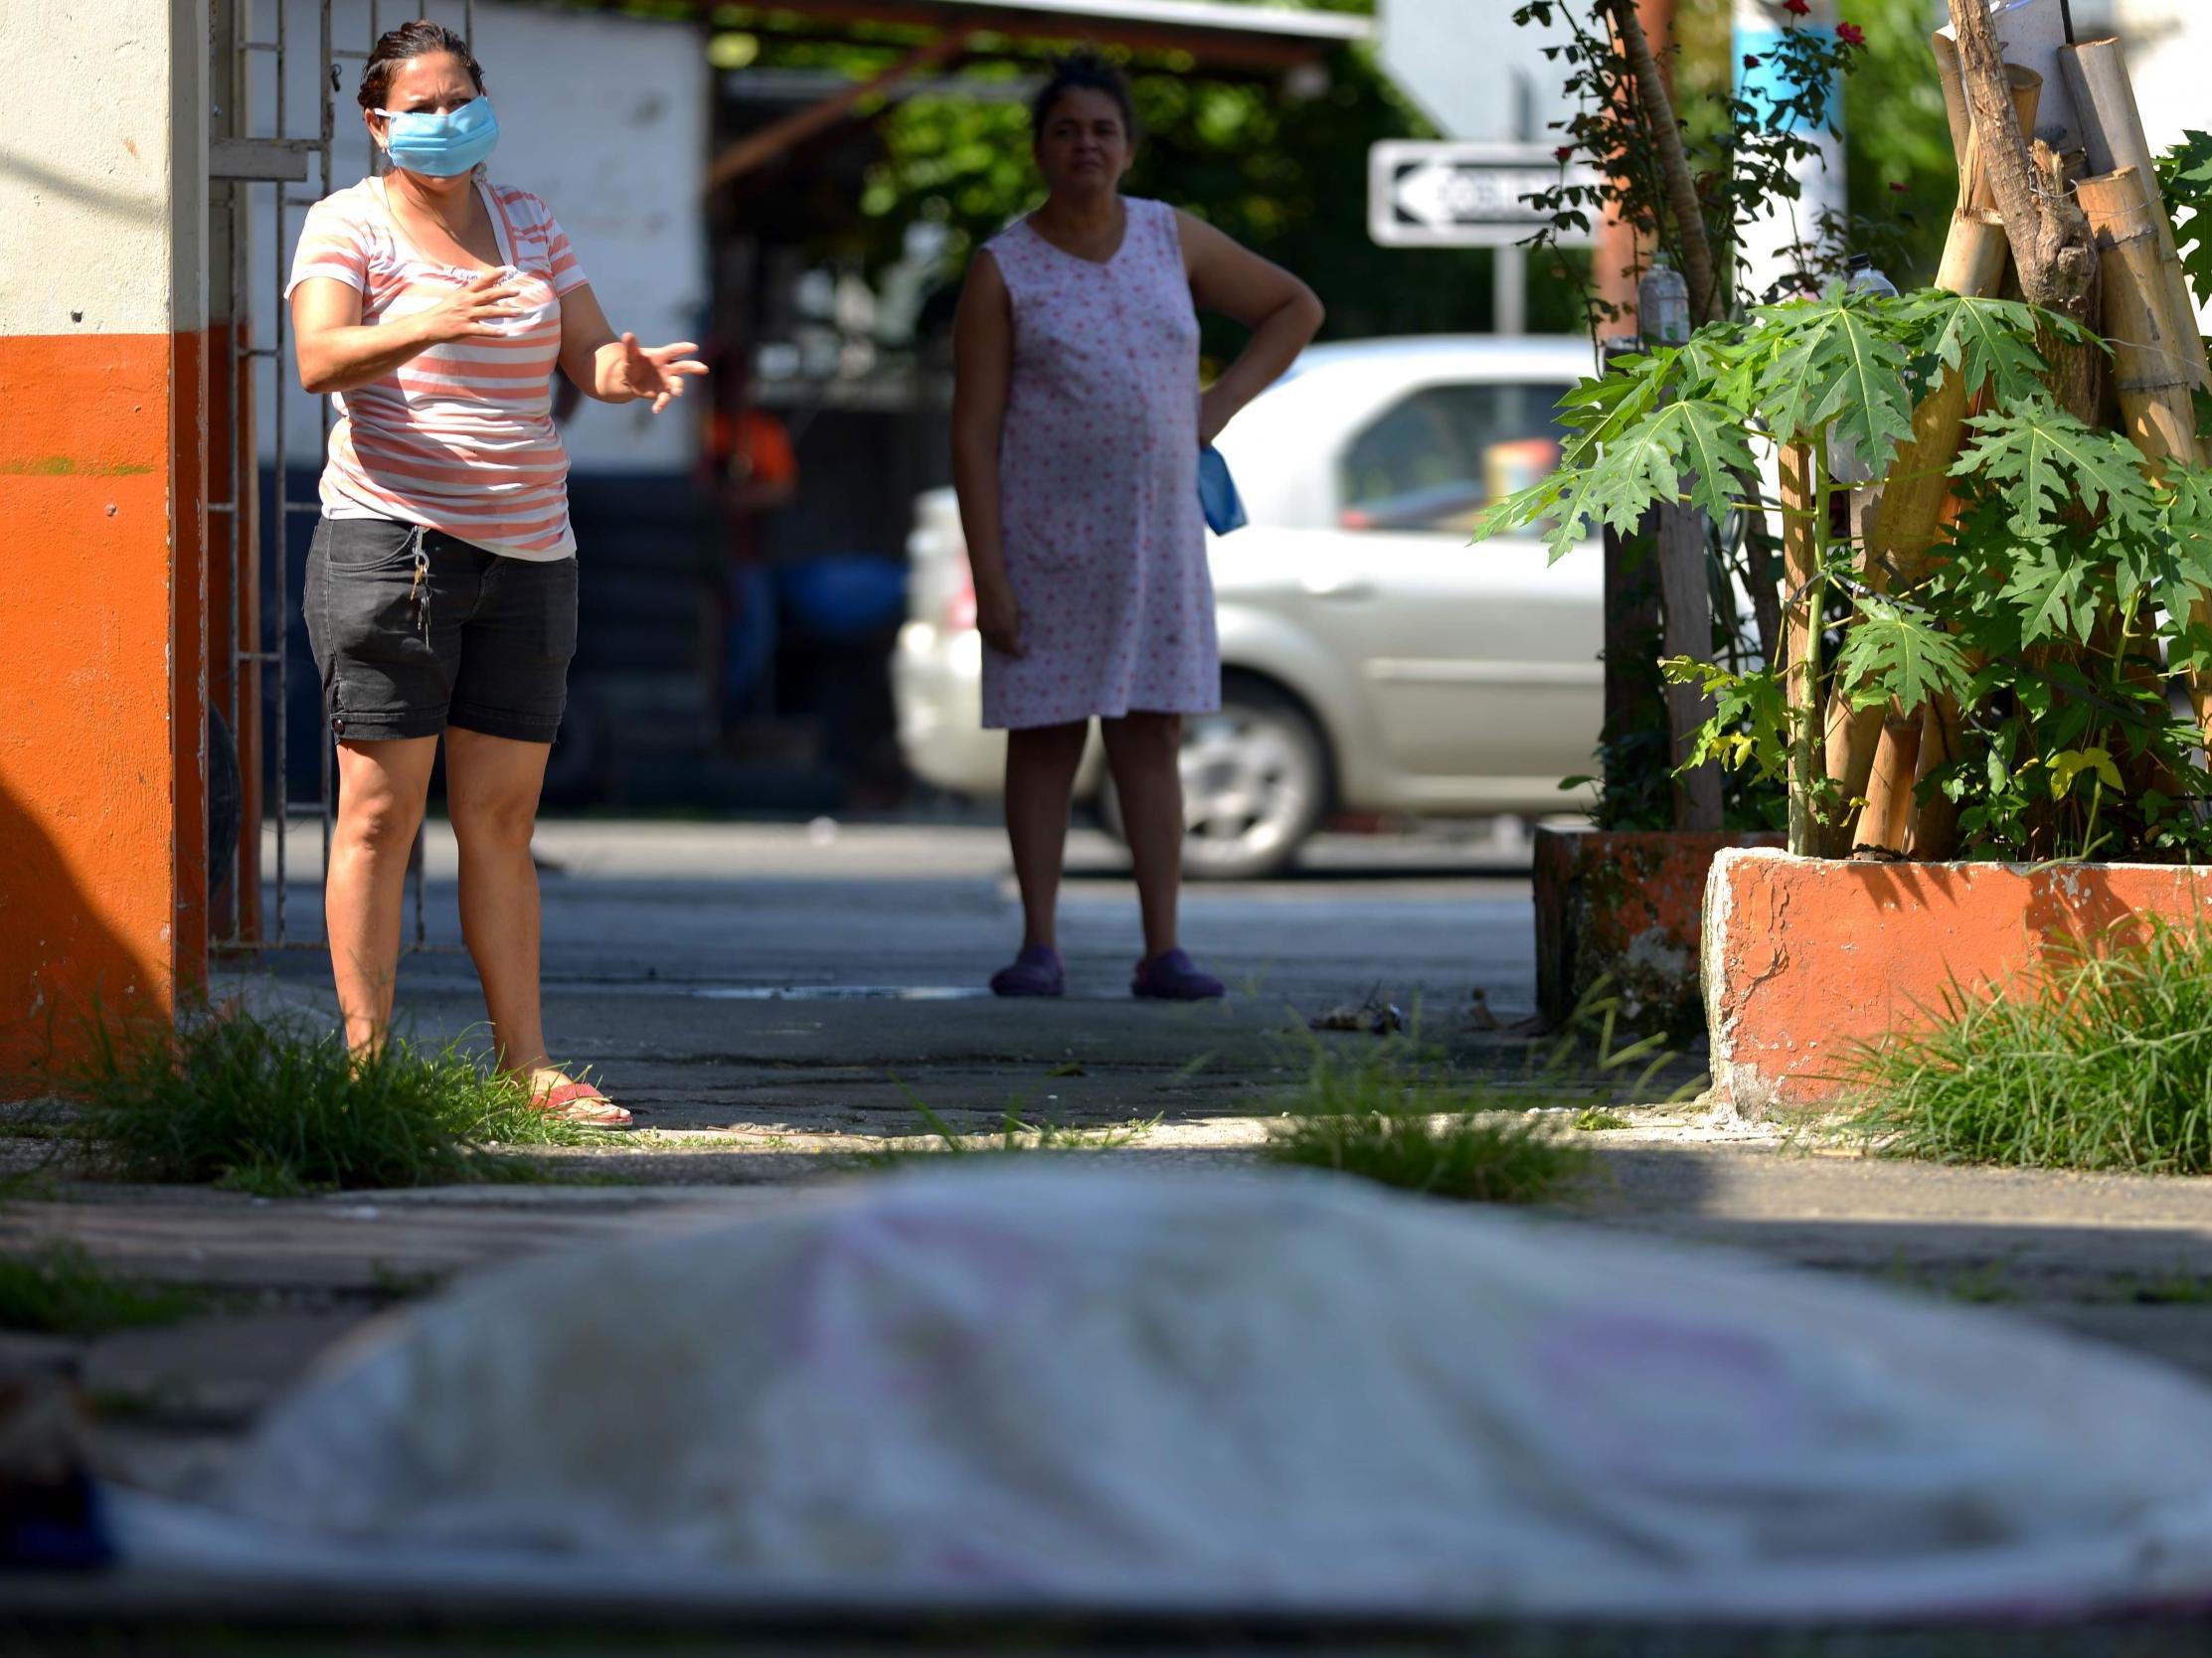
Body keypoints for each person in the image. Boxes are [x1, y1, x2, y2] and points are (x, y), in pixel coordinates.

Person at [286, 20, 705, 1123]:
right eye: (419, 106)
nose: (443, 119)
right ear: (377, 123)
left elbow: (589, 353)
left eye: (458, 95)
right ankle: (366, 1071)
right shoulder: (348, 224)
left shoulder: (529, 222)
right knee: (378, 814)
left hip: (532, 550)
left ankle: (527, 1067)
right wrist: (417, 323)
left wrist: (629, 370)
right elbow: (318, 359)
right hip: (393, 546)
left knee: (503, 821)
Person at [949, 51, 1323, 999]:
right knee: (1042, 737)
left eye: (1102, 130)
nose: (1085, 145)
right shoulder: (1003, 269)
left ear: (1127, 149)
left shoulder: (1169, 237)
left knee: (1151, 737)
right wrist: (988, 574)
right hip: (1043, 544)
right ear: (1038, 148)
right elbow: (971, 433)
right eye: (1066, 129)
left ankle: (1164, 949)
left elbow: (1293, 307)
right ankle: (1039, 946)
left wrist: (1218, 405)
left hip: (1157, 538)